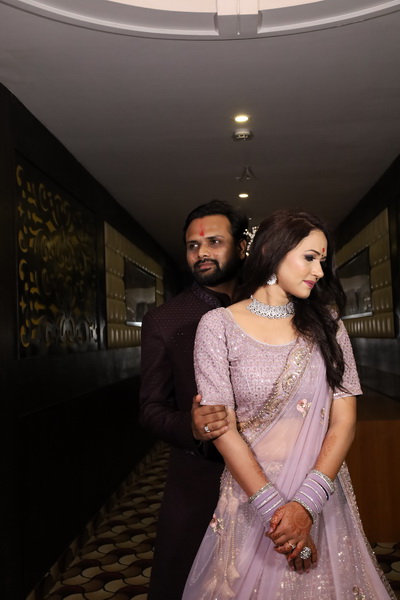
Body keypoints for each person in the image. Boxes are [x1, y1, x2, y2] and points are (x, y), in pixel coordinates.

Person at [183, 210, 395, 600]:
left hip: (319, 492)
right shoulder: (218, 326)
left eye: (322, 261)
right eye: (310, 257)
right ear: (270, 251)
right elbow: (221, 427)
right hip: (252, 499)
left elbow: (344, 421)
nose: (319, 271)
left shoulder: (328, 326)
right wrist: (278, 514)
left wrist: (305, 506)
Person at [139, 200, 248, 600]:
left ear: (242, 247)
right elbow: (150, 408)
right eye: (192, 245)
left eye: (214, 242)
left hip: (274, 472)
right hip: (200, 479)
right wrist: (190, 426)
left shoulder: (270, 308)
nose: (201, 252)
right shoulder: (165, 320)